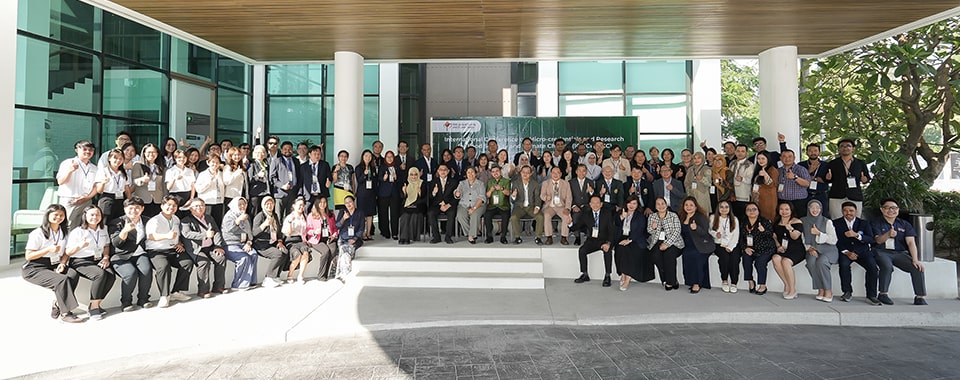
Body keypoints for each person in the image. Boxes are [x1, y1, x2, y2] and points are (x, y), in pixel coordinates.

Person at [22, 204, 85, 322]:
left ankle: (57, 303)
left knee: (73, 274)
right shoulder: (38, 233)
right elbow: (28, 255)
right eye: (55, 214)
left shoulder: (65, 232)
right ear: (48, 215)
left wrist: (63, 263)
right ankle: (65, 314)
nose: (59, 217)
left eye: (62, 215)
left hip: (55, 263)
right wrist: (47, 249)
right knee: (61, 280)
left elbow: (66, 252)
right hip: (35, 267)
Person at [62, 205, 115, 319]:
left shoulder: (103, 228)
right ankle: (94, 308)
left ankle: (95, 304)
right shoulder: (78, 231)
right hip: (80, 260)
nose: (95, 217)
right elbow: (68, 252)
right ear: (85, 216)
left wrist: (106, 257)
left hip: (97, 259)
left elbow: (106, 245)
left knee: (111, 275)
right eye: (92, 214)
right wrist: (79, 246)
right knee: (100, 275)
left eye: (98, 214)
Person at [872, 198, 927, 305]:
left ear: (898, 209)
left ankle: (919, 296)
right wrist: (888, 234)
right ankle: (883, 294)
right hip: (881, 251)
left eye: (894, 208)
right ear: (882, 209)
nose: (891, 210)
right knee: (887, 267)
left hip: (899, 253)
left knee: (917, 268)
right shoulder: (875, 223)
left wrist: (915, 259)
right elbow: (878, 240)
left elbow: (911, 242)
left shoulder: (904, 224)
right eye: (887, 208)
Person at [144, 196, 192, 308]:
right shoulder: (154, 220)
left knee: (187, 263)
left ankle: (176, 292)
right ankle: (164, 296)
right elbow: (151, 236)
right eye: (168, 205)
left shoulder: (176, 219)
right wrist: (166, 236)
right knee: (164, 267)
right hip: (157, 250)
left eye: (174, 206)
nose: (171, 207)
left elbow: (177, 235)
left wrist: (179, 243)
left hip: (172, 249)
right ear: (162, 206)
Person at [108, 196, 154, 311]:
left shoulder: (148, 221)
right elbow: (116, 243)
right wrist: (125, 231)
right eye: (130, 208)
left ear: (142, 209)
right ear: (124, 209)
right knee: (130, 273)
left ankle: (143, 299)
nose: (134, 211)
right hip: (120, 255)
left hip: (140, 253)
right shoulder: (117, 222)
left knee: (146, 271)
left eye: (137, 208)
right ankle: (126, 302)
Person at [833, 202, 881, 305]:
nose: (848, 213)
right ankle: (847, 292)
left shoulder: (864, 223)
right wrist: (847, 252)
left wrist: (857, 236)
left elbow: (871, 239)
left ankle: (871, 295)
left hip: (862, 251)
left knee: (873, 267)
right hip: (845, 251)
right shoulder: (835, 223)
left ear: (856, 211)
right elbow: (835, 240)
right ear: (842, 211)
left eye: (851, 210)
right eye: (845, 210)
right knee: (844, 265)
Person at [180, 198, 227, 298]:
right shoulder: (185, 221)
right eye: (196, 206)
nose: (199, 208)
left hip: (210, 247)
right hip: (196, 249)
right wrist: (205, 234)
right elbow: (187, 234)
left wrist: (218, 246)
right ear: (191, 209)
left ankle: (218, 286)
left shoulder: (209, 218)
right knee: (204, 262)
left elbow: (217, 231)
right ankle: (203, 290)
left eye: (201, 205)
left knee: (220, 258)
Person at [571, 195, 617, 287]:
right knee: (582, 251)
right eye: (593, 203)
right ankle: (585, 274)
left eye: (597, 203)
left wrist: (608, 243)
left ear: (601, 204)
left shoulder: (607, 213)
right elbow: (576, 226)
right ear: (590, 204)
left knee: (607, 252)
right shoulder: (586, 214)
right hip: (592, 240)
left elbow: (612, 231)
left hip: (605, 239)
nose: (595, 205)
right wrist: (569, 223)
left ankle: (607, 276)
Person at [802, 199, 839, 302]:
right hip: (813, 248)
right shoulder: (803, 221)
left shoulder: (827, 221)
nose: (815, 210)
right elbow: (803, 238)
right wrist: (809, 248)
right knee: (811, 262)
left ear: (821, 209)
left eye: (817, 207)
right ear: (808, 209)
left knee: (822, 262)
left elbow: (833, 240)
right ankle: (821, 288)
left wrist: (819, 233)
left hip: (828, 250)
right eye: (812, 207)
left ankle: (828, 290)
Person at [57, 140, 100, 229]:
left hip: (87, 200)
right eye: (84, 149)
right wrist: (70, 171)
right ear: (76, 150)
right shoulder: (68, 163)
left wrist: (87, 198)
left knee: (86, 226)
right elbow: (60, 181)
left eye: (90, 150)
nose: (88, 152)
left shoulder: (94, 168)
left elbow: (96, 186)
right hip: (71, 199)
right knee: (68, 225)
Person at [825, 138, 871, 219]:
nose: (845, 148)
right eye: (842, 146)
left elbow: (867, 178)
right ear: (839, 149)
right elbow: (827, 180)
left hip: (855, 195)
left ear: (853, 148)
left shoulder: (860, 163)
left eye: (848, 146)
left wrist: (865, 179)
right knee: (836, 221)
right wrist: (828, 178)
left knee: (856, 221)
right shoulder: (833, 163)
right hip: (837, 196)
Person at [615, 195, 653, 290]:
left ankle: (627, 279)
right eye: (629, 203)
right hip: (622, 236)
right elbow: (615, 225)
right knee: (620, 249)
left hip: (636, 239)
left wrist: (629, 240)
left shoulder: (640, 215)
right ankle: (623, 274)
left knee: (629, 250)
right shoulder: (621, 212)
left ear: (637, 205)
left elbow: (640, 231)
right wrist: (621, 218)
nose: (631, 205)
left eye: (634, 203)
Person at [222, 197, 259, 290]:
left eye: (244, 204)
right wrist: (238, 220)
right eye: (240, 204)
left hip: (243, 244)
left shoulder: (245, 216)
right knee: (244, 258)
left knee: (253, 254)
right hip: (230, 244)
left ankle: (251, 281)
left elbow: (249, 232)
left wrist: (249, 242)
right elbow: (230, 229)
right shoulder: (229, 216)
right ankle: (239, 284)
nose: (242, 206)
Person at [679, 196, 714, 293]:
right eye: (686, 205)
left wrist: (696, 228)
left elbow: (705, 233)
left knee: (696, 256)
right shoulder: (682, 217)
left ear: (695, 207)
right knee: (686, 256)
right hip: (688, 245)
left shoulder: (700, 217)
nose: (688, 207)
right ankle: (690, 281)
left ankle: (697, 283)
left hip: (702, 244)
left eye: (691, 205)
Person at [647, 197, 683, 291]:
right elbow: (649, 231)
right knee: (655, 256)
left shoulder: (673, 215)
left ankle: (670, 282)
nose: (661, 206)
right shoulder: (652, 216)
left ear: (666, 205)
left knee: (668, 255)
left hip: (674, 242)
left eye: (662, 203)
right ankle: (669, 279)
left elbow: (677, 231)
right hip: (657, 241)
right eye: (658, 204)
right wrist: (653, 228)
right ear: (655, 206)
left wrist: (667, 244)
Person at [251, 196, 287, 288]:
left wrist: (279, 241)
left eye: (271, 204)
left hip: (272, 242)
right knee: (278, 254)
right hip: (261, 245)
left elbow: (278, 231)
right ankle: (268, 277)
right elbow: (254, 233)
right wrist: (264, 225)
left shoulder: (274, 216)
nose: (269, 206)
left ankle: (276, 276)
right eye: (267, 204)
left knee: (284, 251)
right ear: (263, 205)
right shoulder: (260, 216)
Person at [771, 202, 805, 300]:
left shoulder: (796, 222)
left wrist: (790, 229)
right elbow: (775, 237)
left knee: (785, 261)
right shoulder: (776, 223)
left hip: (796, 249)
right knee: (775, 258)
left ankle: (793, 290)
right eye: (782, 209)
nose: (784, 211)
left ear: (791, 210)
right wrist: (778, 246)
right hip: (783, 248)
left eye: (787, 209)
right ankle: (787, 284)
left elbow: (795, 237)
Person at [741, 201, 775, 295]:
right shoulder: (743, 223)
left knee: (760, 262)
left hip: (765, 248)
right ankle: (750, 281)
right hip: (750, 248)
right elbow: (740, 238)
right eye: (749, 210)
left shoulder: (765, 221)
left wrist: (763, 231)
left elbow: (771, 235)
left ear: (758, 211)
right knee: (746, 258)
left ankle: (762, 285)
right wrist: (745, 248)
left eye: (754, 209)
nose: (751, 211)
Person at [710, 200, 740, 293]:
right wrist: (715, 234)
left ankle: (734, 283)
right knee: (724, 258)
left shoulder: (734, 219)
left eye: (726, 207)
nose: (724, 209)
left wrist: (730, 247)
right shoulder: (713, 217)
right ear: (718, 208)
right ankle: (725, 280)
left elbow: (736, 235)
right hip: (719, 244)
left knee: (735, 259)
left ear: (730, 208)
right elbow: (710, 230)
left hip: (732, 244)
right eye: (721, 207)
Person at [305, 197, 338, 281]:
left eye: (324, 202)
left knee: (333, 250)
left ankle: (325, 274)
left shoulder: (331, 214)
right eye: (320, 202)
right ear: (317, 204)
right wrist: (315, 232)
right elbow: (308, 230)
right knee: (326, 251)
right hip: (316, 239)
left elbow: (335, 228)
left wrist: (334, 235)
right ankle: (321, 274)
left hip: (329, 238)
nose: (323, 204)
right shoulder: (311, 215)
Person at [130, 143, 167, 219]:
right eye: (149, 152)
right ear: (144, 153)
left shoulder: (161, 167)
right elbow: (134, 181)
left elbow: (164, 185)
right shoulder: (138, 165)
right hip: (143, 199)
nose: (151, 154)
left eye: (153, 152)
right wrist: (142, 180)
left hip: (158, 199)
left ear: (157, 154)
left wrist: (165, 199)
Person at [509, 165, 544, 245]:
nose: (525, 174)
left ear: (531, 174)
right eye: (523, 172)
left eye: (527, 173)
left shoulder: (535, 183)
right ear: (520, 173)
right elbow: (512, 200)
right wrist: (513, 196)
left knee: (540, 217)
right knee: (514, 217)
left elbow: (537, 198)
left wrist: (537, 207)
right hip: (519, 206)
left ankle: (538, 237)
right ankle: (518, 237)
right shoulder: (515, 183)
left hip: (531, 206)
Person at [540, 167, 572, 245]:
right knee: (547, 215)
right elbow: (542, 195)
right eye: (553, 173)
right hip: (550, 206)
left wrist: (567, 208)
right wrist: (545, 197)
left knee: (565, 216)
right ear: (551, 174)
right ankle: (549, 237)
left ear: (561, 174)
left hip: (561, 206)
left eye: (558, 173)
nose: (555, 174)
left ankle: (564, 237)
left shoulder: (566, 183)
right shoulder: (545, 183)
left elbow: (569, 197)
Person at [335, 195, 364, 282]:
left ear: (354, 202)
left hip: (355, 239)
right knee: (345, 253)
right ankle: (345, 274)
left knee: (345, 253)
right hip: (343, 238)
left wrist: (355, 238)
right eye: (346, 203)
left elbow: (361, 228)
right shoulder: (342, 212)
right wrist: (343, 218)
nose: (348, 204)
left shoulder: (360, 213)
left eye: (350, 202)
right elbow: (337, 226)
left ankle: (342, 274)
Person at [282, 197, 311, 283]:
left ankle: (300, 276)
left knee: (305, 253)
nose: (301, 207)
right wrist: (290, 223)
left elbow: (306, 230)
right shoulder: (289, 217)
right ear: (294, 206)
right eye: (299, 205)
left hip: (300, 239)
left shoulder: (304, 217)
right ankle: (290, 275)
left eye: (303, 205)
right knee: (297, 255)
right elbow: (288, 233)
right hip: (290, 239)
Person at [427, 165, 459, 244]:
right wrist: (434, 192)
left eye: (445, 169)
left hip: (449, 205)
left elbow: (456, 197)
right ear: (438, 171)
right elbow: (430, 197)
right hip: (437, 205)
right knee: (430, 213)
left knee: (452, 213)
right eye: (441, 169)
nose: (443, 171)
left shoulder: (454, 182)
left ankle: (448, 237)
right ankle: (436, 237)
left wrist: (448, 205)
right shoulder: (433, 182)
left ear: (448, 171)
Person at [455, 167, 486, 244]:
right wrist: (457, 194)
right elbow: (457, 193)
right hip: (464, 204)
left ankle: (471, 235)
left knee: (474, 214)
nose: (470, 174)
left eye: (472, 172)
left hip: (478, 205)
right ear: (466, 174)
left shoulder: (480, 184)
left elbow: (481, 198)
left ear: (475, 174)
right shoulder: (462, 183)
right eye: (468, 172)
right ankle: (472, 233)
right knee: (460, 215)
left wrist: (474, 208)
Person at [777, 150, 813, 218]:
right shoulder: (778, 171)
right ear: (781, 158)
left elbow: (807, 183)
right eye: (784, 156)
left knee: (798, 224)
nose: (787, 159)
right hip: (782, 202)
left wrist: (795, 177)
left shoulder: (801, 169)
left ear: (794, 158)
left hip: (798, 203)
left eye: (790, 156)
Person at [269, 141, 300, 218]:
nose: (287, 151)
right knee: (278, 217)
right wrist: (282, 186)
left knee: (290, 217)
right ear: (281, 150)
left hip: (292, 193)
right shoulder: (276, 161)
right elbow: (272, 177)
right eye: (285, 149)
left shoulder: (296, 161)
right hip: (280, 194)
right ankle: (278, 230)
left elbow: (299, 176)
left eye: (290, 149)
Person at [398, 167, 429, 245]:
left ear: (418, 175)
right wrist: (404, 192)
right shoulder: (406, 183)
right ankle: (403, 237)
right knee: (405, 216)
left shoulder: (422, 183)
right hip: (407, 205)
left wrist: (420, 193)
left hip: (419, 205)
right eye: (411, 175)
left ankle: (411, 237)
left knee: (415, 215)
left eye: (415, 175)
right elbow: (402, 197)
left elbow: (425, 198)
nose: (413, 177)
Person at [299, 145, 333, 211]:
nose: (317, 156)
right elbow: (301, 181)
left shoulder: (325, 165)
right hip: (308, 195)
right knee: (307, 213)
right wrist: (300, 195)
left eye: (319, 154)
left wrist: (329, 181)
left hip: (321, 194)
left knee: (322, 213)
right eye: (315, 154)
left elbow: (329, 176)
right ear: (309, 154)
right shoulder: (303, 167)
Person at [377, 151, 402, 240]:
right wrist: (383, 178)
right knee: (383, 213)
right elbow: (378, 178)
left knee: (394, 213)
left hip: (394, 193)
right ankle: (385, 232)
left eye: (391, 157)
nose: (390, 158)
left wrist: (396, 177)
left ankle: (395, 233)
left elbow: (400, 180)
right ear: (385, 158)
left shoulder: (397, 167)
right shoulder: (382, 167)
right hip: (384, 193)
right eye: (388, 157)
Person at [483, 166, 512, 245]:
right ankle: (489, 236)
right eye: (493, 172)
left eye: (497, 171)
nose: (495, 173)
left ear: (500, 172)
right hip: (492, 205)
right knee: (487, 215)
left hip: (503, 205)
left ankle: (503, 236)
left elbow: (509, 193)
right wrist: (491, 190)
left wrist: (502, 189)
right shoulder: (490, 182)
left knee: (505, 216)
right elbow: (487, 196)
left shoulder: (507, 181)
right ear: (491, 173)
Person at [195, 155, 226, 225]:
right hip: (207, 202)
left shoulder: (221, 174)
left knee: (218, 222)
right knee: (207, 222)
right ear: (208, 162)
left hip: (219, 202)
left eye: (217, 162)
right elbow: (198, 189)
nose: (215, 164)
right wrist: (209, 181)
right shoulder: (203, 174)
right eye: (213, 162)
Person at [800, 143, 830, 216]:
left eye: (815, 150)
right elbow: (797, 179)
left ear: (819, 152)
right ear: (806, 153)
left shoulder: (826, 165)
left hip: (821, 195)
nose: (813, 153)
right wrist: (809, 171)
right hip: (805, 195)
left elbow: (828, 180)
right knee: (804, 216)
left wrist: (815, 178)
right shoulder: (801, 165)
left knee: (823, 216)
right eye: (810, 151)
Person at [569, 164, 595, 246]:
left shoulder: (590, 182)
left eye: (583, 170)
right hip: (575, 206)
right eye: (579, 170)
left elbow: (594, 197)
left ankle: (589, 237)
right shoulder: (571, 182)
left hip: (587, 206)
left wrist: (591, 192)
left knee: (589, 217)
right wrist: (573, 206)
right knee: (576, 217)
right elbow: (569, 197)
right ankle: (577, 237)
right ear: (576, 171)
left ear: (586, 172)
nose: (581, 172)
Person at [355, 150, 378, 240]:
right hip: (362, 194)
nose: (368, 158)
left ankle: (368, 233)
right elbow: (359, 180)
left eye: (369, 156)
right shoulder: (359, 168)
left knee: (370, 214)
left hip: (371, 194)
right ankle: (363, 233)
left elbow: (375, 181)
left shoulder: (373, 168)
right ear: (362, 157)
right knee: (363, 214)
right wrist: (364, 174)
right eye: (366, 156)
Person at [166, 150, 197, 219]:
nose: (182, 159)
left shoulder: (190, 171)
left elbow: (193, 185)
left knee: (187, 218)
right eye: (179, 157)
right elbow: (168, 187)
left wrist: (191, 198)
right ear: (175, 158)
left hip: (187, 196)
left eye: (184, 157)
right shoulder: (170, 171)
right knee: (175, 217)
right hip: (175, 196)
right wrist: (174, 179)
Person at [752, 151, 779, 221]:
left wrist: (765, 175)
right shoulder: (758, 169)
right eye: (758, 158)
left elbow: (772, 185)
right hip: (757, 198)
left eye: (763, 158)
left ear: (768, 159)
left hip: (768, 200)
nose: (760, 161)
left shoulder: (773, 170)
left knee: (767, 218)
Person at [247, 145, 272, 218]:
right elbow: (249, 179)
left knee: (264, 214)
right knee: (255, 214)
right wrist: (258, 176)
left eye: (261, 152)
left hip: (265, 193)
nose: (259, 154)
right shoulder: (252, 164)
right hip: (256, 194)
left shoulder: (266, 164)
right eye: (257, 153)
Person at [731, 144, 755, 218]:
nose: (740, 153)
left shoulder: (750, 165)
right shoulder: (732, 163)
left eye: (742, 151)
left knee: (743, 217)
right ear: (735, 152)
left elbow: (751, 180)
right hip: (733, 195)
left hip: (744, 195)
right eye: (738, 151)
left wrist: (742, 179)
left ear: (746, 153)